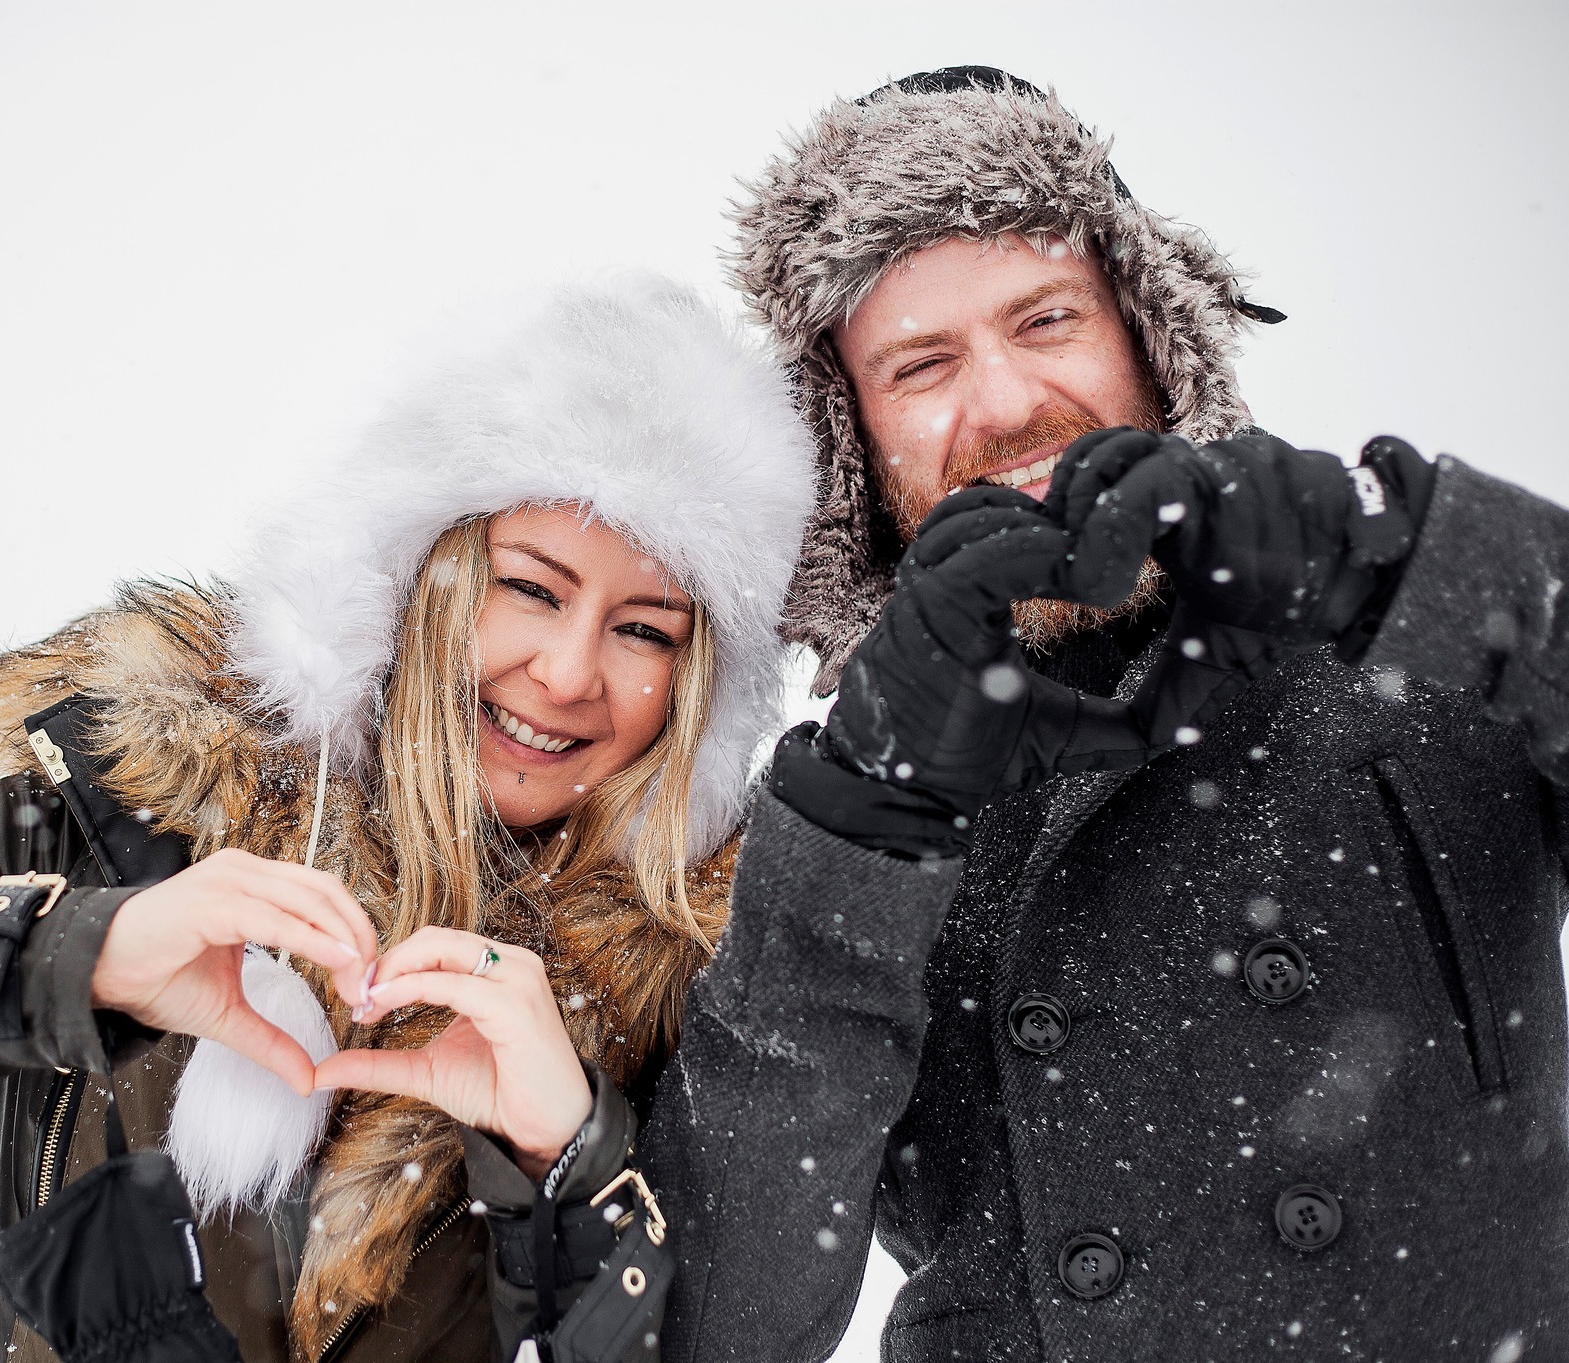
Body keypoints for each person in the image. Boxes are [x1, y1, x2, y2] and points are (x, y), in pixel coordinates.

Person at [0, 276, 817, 1363]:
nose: (565, 673)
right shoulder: (135, 801)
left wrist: (568, 1165)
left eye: (643, 629)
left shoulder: (689, 990)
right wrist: (78, 956)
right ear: (417, 578)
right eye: (529, 588)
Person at [640, 67, 1569, 1361]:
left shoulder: (1411, 649)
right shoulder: (824, 822)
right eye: (920, 365)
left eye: (1044, 319)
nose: (1007, 404)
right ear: (852, 443)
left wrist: (1402, 557)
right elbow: (713, 1324)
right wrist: (862, 817)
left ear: (1145, 328)